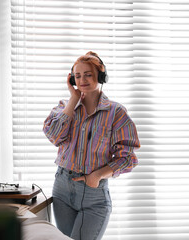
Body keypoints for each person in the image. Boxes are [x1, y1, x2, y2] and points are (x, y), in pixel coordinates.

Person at [43, 51, 140, 240]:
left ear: (101, 77)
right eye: (77, 76)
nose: (82, 80)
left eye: (88, 74)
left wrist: (97, 175)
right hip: (62, 188)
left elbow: (128, 158)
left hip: (94, 194)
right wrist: (73, 99)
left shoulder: (116, 113)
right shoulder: (64, 107)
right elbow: (54, 137)